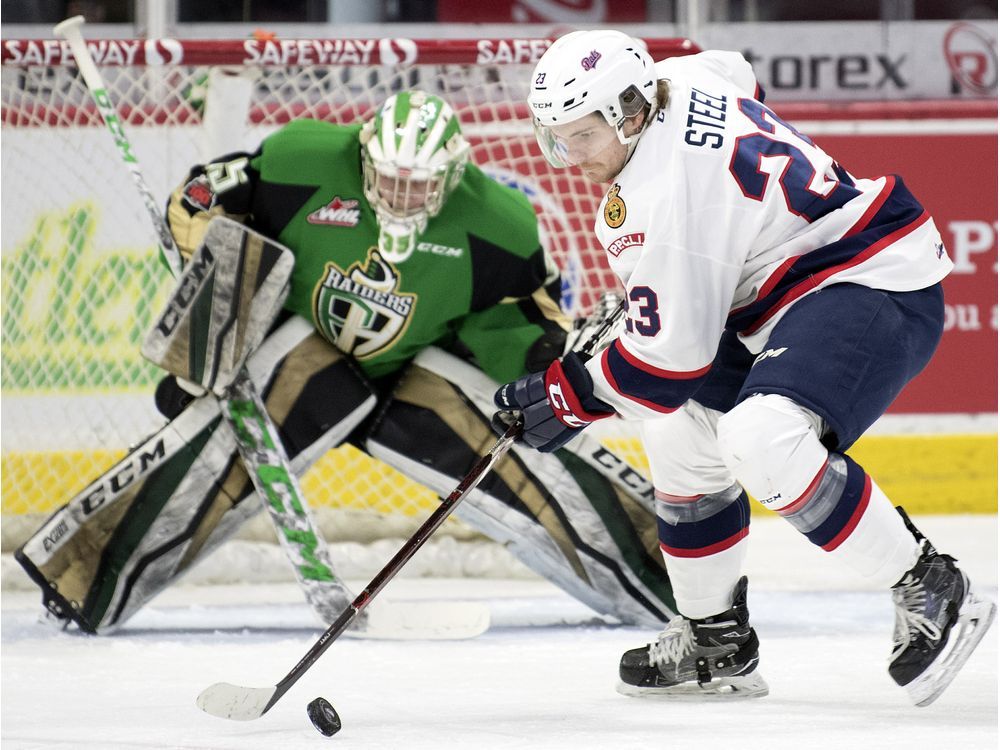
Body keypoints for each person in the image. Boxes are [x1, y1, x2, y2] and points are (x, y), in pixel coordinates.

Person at [16, 89, 677, 635]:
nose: (400, 197)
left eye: (420, 187)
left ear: (453, 177)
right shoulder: (302, 158)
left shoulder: (497, 224)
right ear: (363, 156)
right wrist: (197, 241)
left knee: (523, 445)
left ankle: (667, 575)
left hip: (417, 376)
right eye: (388, 179)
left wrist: (548, 358)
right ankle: (83, 576)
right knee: (210, 457)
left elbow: (514, 322)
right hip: (298, 355)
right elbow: (209, 196)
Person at [494, 30, 995, 706]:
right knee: (675, 428)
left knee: (761, 439)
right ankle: (715, 641)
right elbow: (738, 73)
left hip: (870, 279)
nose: (566, 157)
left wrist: (567, 394)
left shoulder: (662, 197)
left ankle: (931, 583)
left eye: (581, 135)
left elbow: (664, 367)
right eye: (556, 135)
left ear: (631, 113)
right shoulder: (680, 77)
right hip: (787, 295)